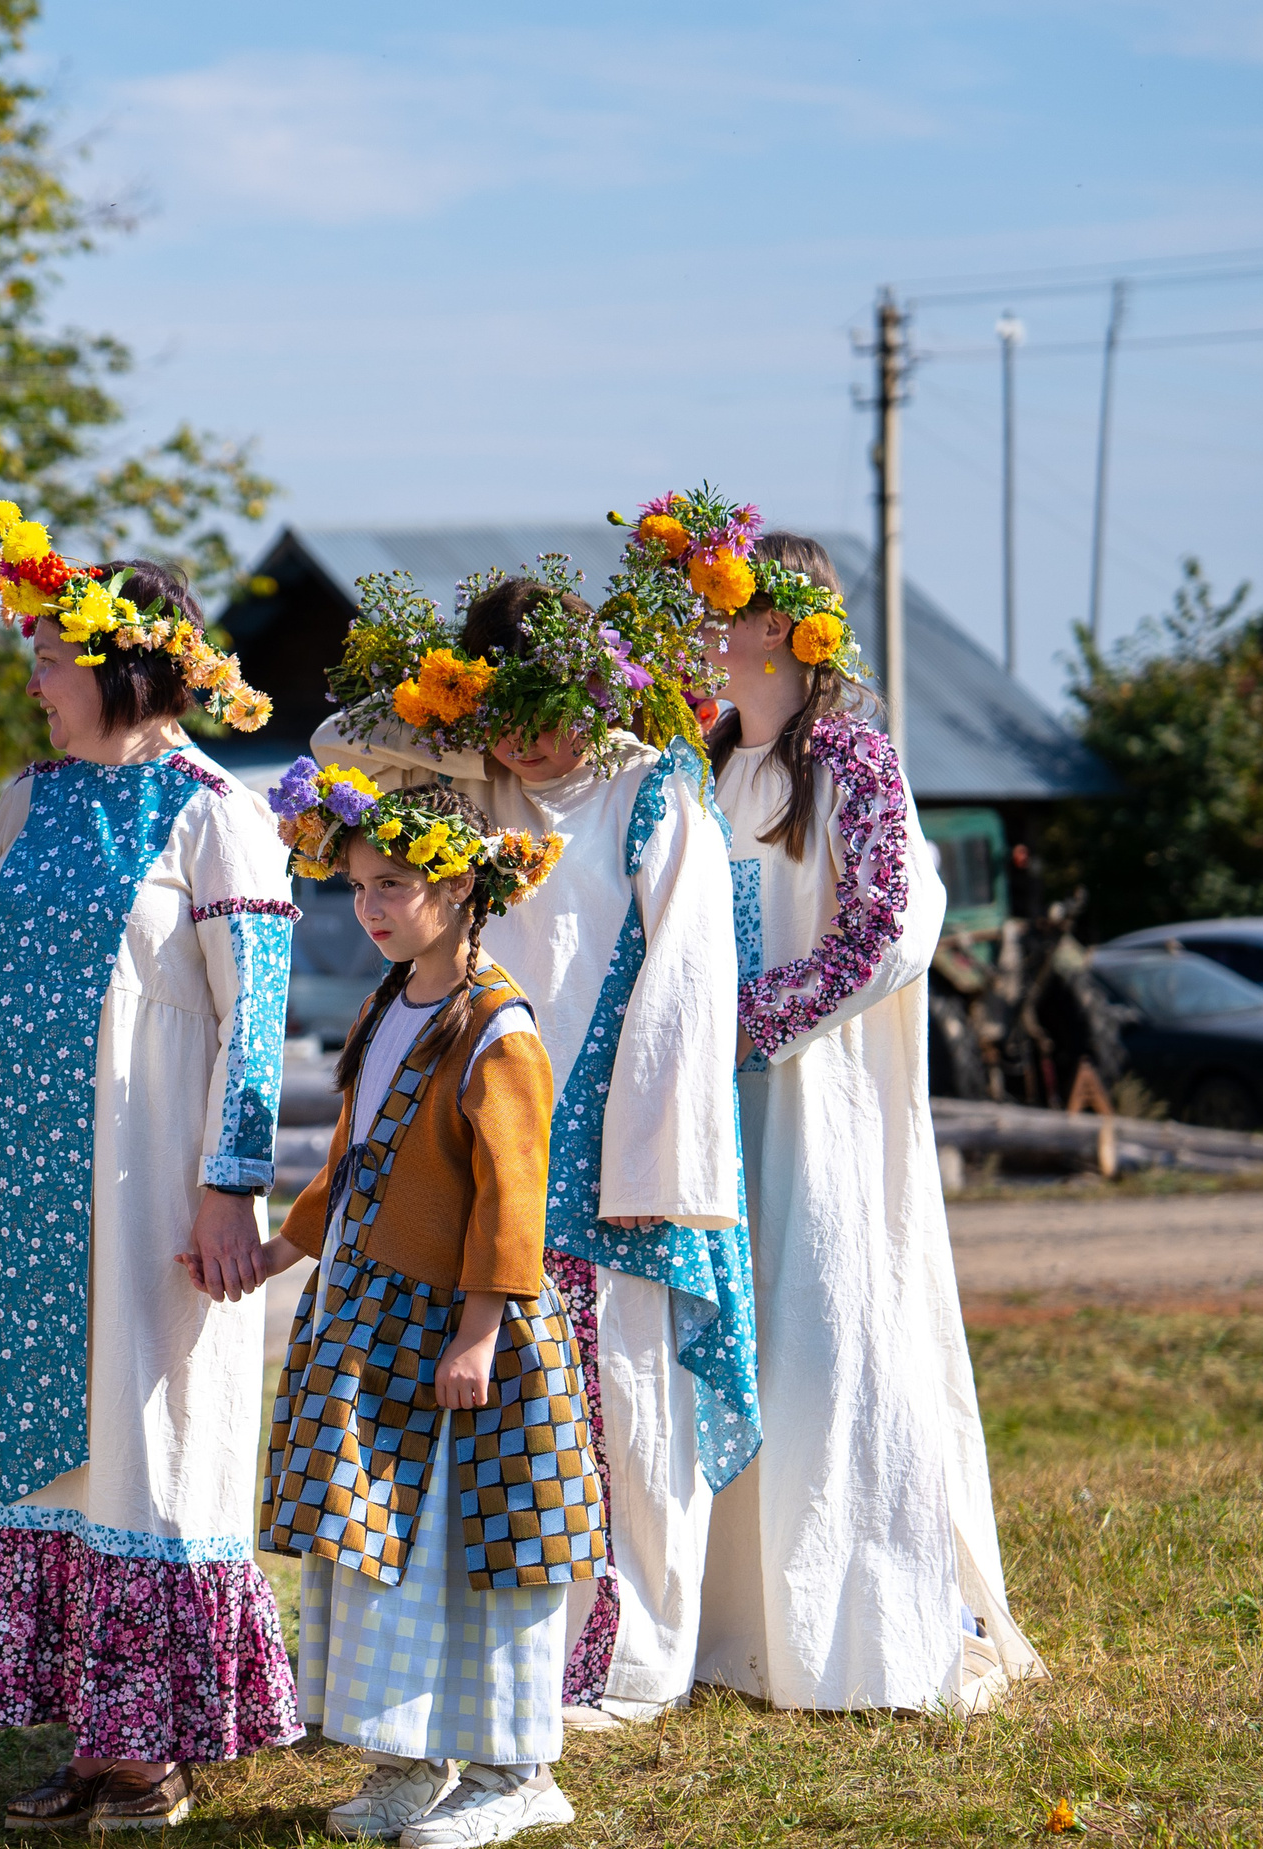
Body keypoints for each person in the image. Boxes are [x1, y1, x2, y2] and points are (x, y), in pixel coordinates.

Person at [0, 502, 298, 1832]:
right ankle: (88, 1738)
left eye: (52, 656)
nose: (35, 678)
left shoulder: (218, 815)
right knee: (49, 1449)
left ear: (121, 666)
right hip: (20, 1177)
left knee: (147, 1434)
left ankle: (147, 1747)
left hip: (155, 1179)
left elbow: (257, 1012)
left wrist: (232, 1183)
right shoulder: (24, 803)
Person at [306, 547, 752, 1728]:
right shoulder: (481, 790)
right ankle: (519, 1655)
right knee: (519, 1405)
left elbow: (690, 979)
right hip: (489, 1133)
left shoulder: (654, 785)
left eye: (543, 718)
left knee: (625, 1396)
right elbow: (334, 750)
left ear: (591, 698)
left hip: (616, 1143)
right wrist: (450, 711)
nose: (524, 747)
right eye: (494, 719)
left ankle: (640, 1655)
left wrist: (646, 1159)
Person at [693, 529, 1043, 1710]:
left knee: (823, 1321)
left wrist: (750, 1018)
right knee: (723, 1332)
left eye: (722, 606)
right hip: (700, 1102)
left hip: (811, 1095)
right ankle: (724, 1623)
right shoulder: (696, 764)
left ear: (787, 624)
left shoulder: (852, 760)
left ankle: (853, 1625)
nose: (705, 632)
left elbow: (888, 927)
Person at [254, 773, 599, 1846]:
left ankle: (514, 1770)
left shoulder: (498, 1029)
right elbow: (359, 1157)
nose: (369, 905)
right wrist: (284, 1244)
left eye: (392, 884)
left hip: (460, 1332)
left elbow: (512, 1194)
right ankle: (406, 1754)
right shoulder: (388, 1003)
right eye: (358, 886)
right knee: (378, 1541)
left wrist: (479, 1331)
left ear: (457, 890)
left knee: (476, 1543)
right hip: (372, 1320)